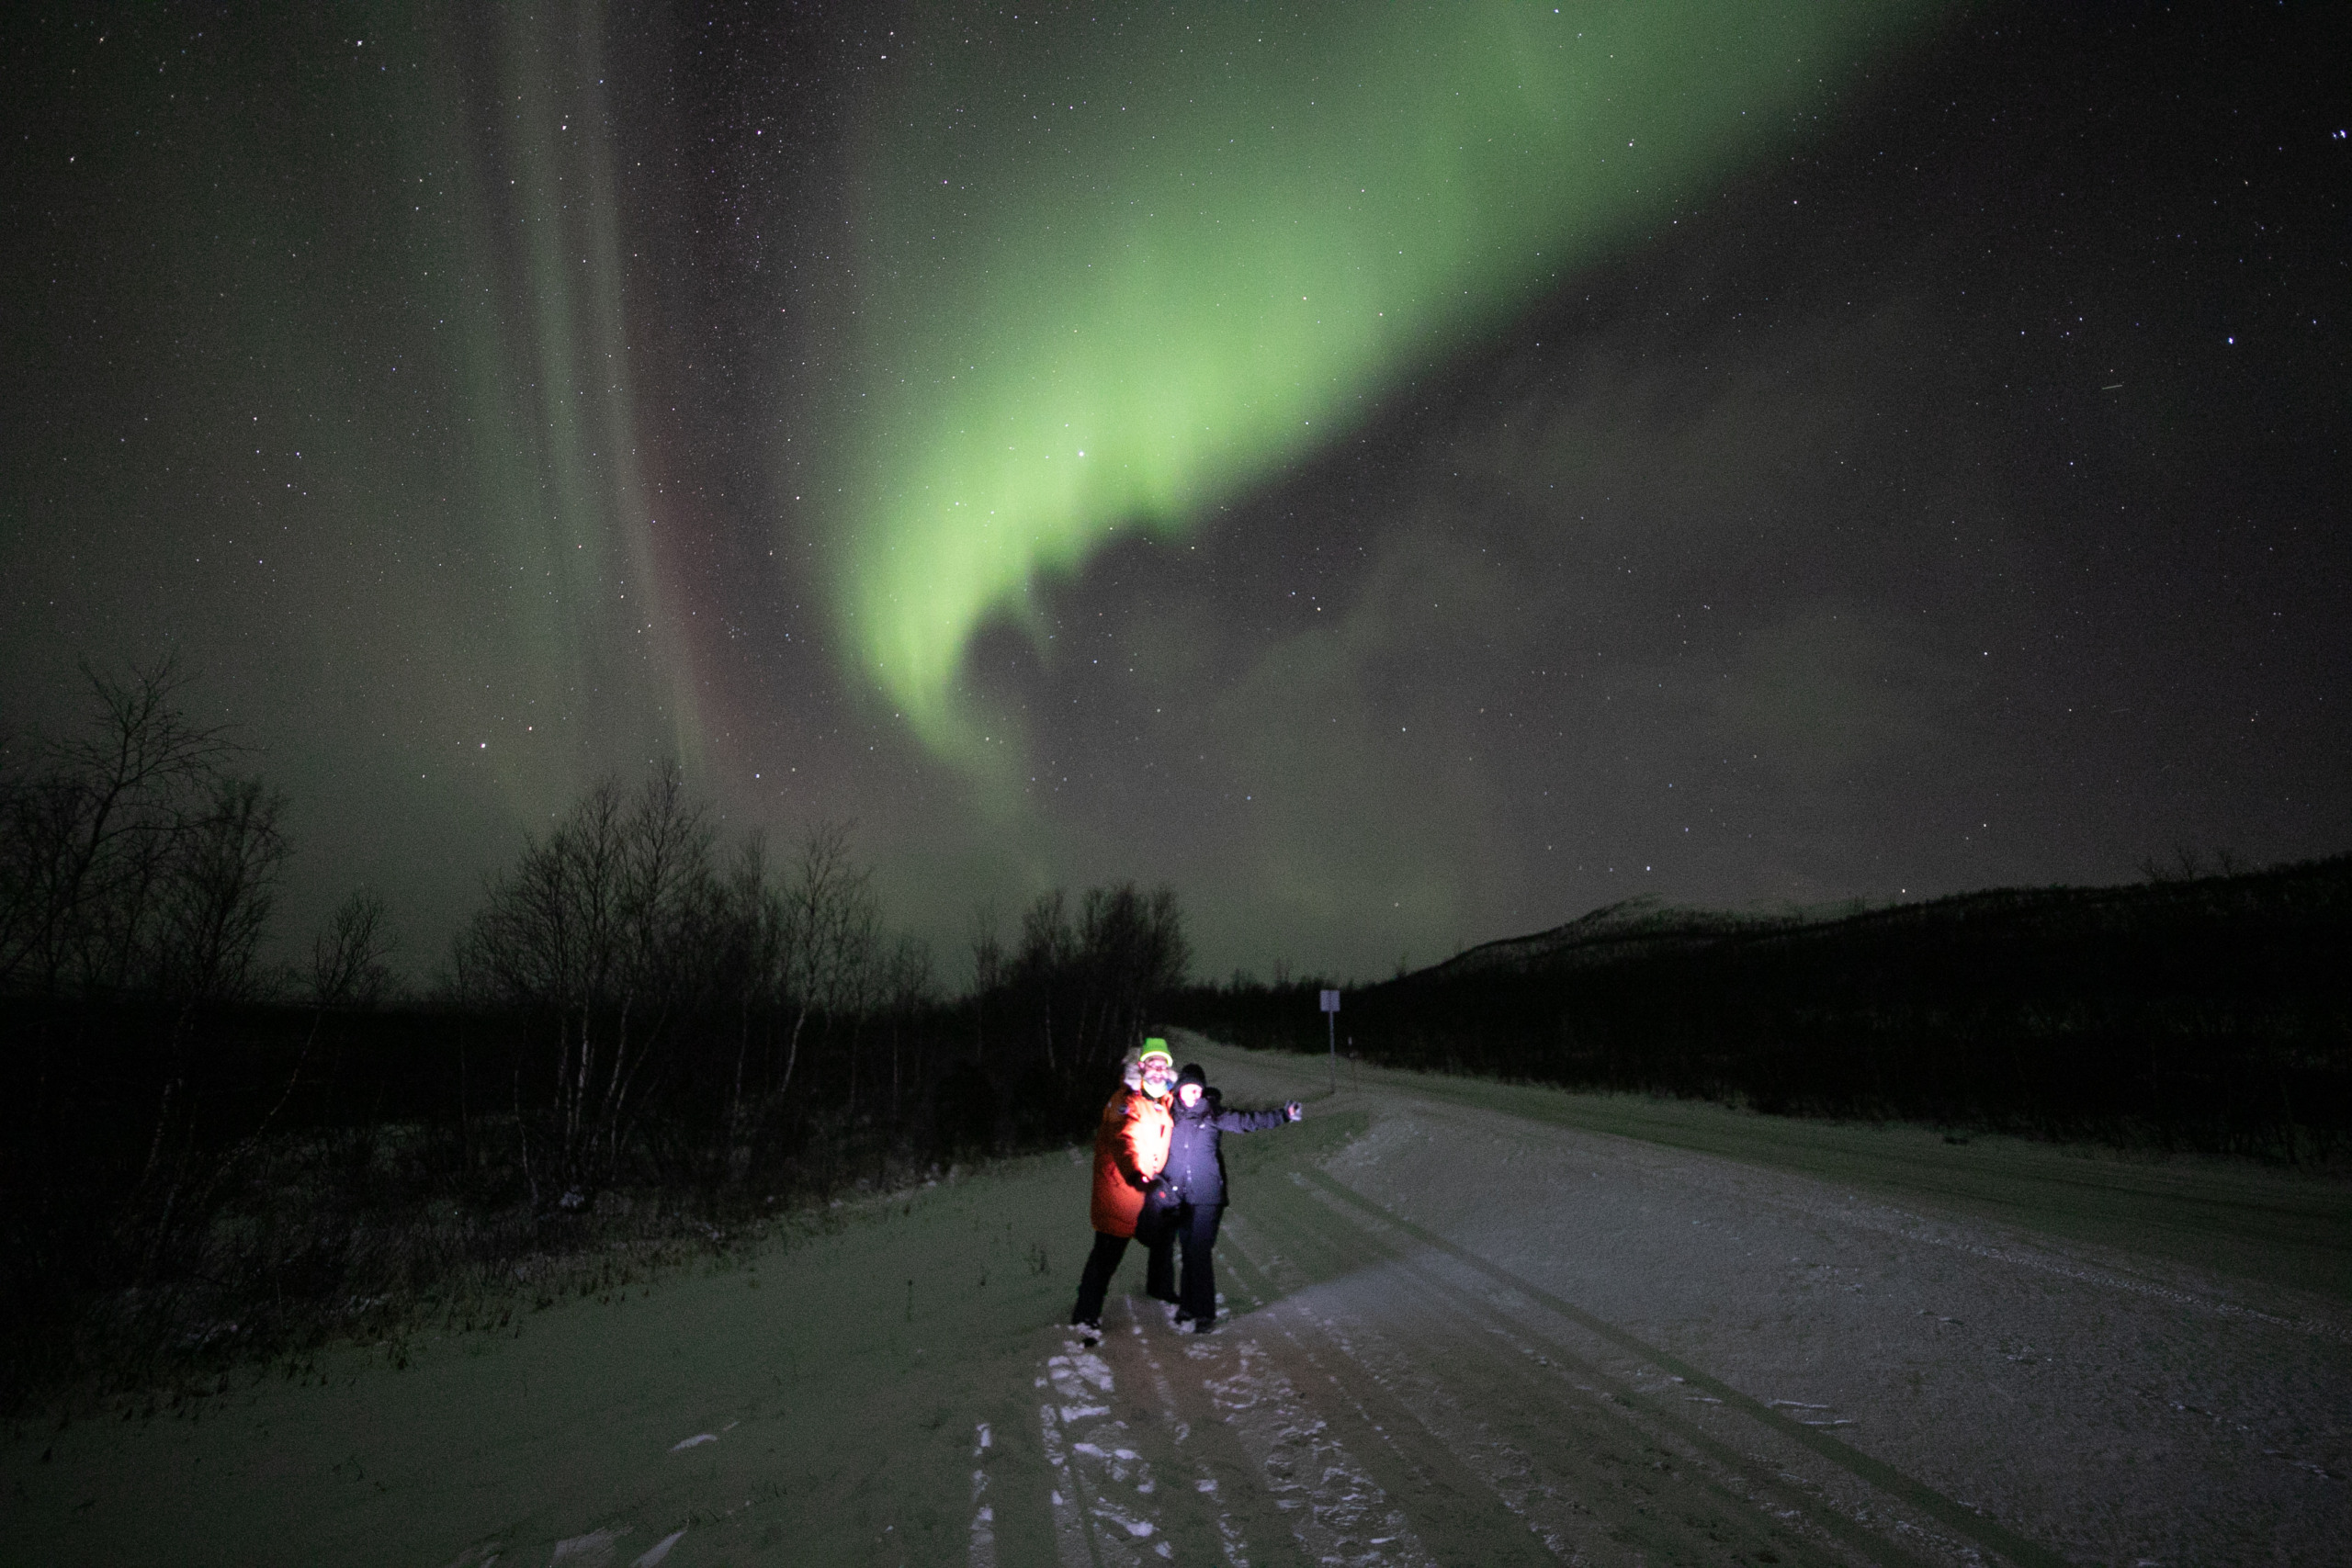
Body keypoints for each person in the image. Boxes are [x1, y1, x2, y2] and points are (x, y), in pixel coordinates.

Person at [1148, 1062, 1302, 1333]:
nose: (1192, 1094)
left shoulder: (1213, 1115)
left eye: (1197, 1089)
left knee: (1199, 1252)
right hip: (1178, 1196)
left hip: (1207, 1196)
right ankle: (1187, 1306)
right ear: (1180, 1089)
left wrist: (1284, 1115)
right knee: (1186, 1250)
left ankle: (1205, 1313)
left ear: (1203, 1091)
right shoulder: (1169, 1116)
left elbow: (1247, 1121)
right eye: (1188, 1088)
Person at [1068, 1040, 1179, 1344]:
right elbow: (1123, 1139)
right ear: (1140, 1067)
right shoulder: (1125, 1100)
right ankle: (1086, 1316)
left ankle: (1160, 1290)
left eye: (1162, 1064)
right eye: (1151, 1064)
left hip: (1147, 1192)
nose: (1157, 1070)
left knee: (1164, 1235)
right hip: (1120, 1191)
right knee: (1106, 1257)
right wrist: (1136, 1175)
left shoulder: (1164, 1099)